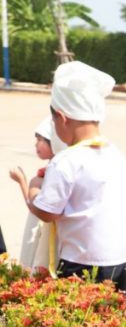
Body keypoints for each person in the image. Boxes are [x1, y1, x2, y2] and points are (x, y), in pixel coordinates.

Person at [9, 61, 126, 295]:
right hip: (123, 262)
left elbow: (47, 212)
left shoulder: (66, 160)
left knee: (81, 323)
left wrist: (34, 188)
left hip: (83, 265)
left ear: (61, 117)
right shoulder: (117, 155)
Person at [9, 117, 59, 274]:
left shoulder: (51, 173)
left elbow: (34, 206)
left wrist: (23, 182)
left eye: (40, 140)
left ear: (54, 143)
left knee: (35, 265)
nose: (36, 144)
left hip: (42, 231)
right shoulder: (53, 168)